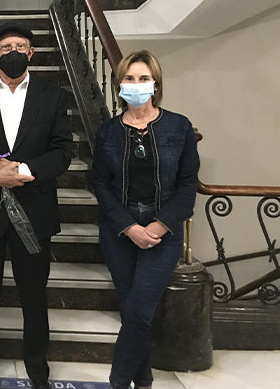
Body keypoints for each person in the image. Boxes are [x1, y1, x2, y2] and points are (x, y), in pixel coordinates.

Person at [0, 22, 72, 389]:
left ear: (31, 53)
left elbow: (63, 152)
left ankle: (38, 371)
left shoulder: (53, 96)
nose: (14, 53)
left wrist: (23, 171)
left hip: (35, 211)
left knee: (34, 296)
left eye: (21, 46)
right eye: (6, 48)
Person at [93, 50, 199, 389]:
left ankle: (118, 382)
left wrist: (161, 224)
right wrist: (128, 226)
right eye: (129, 78)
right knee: (131, 310)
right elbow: (100, 184)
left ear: (155, 84)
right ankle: (144, 380)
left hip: (162, 231)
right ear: (119, 84)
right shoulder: (108, 131)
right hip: (119, 229)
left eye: (143, 78)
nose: (136, 84)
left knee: (140, 310)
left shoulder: (178, 126)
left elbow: (188, 184)